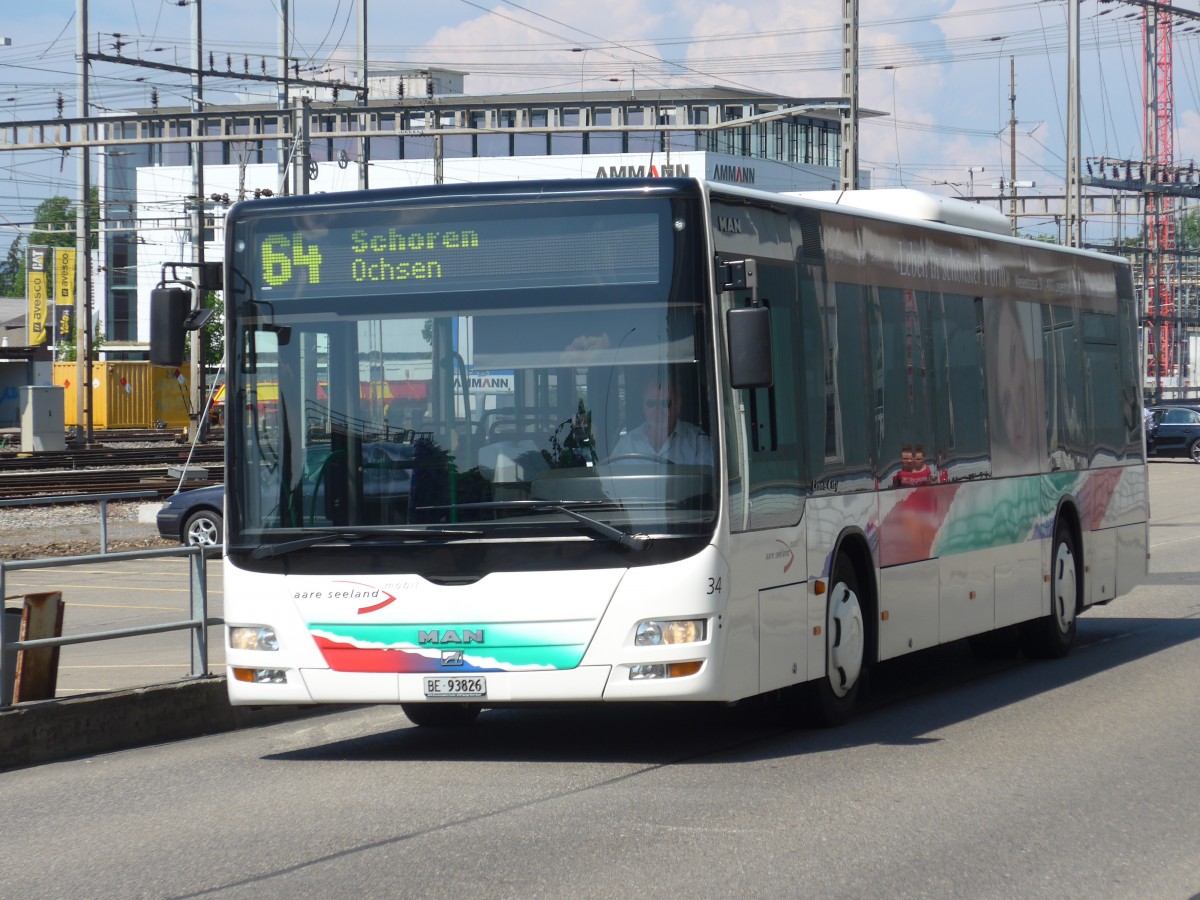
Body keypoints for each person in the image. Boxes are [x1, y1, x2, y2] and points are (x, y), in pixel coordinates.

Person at [611, 376, 712, 466]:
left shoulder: (698, 442)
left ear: (678, 405)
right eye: (651, 403)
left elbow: (708, 483)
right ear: (643, 407)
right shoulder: (627, 444)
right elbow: (611, 484)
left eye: (666, 403)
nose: (658, 410)